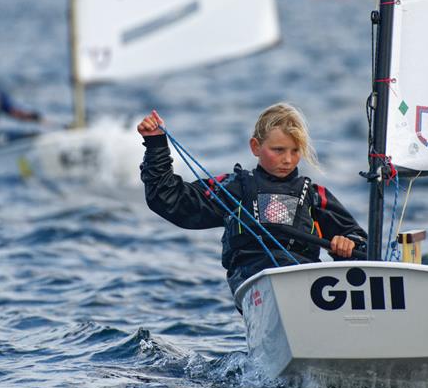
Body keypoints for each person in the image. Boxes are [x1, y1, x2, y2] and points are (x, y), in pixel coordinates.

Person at [138, 103, 367, 300]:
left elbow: (361, 244)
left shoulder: (315, 195)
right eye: (278, 150)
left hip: (305, 283)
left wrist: (347, 245)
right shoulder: (234, 188)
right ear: (256, 147)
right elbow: (170, 199)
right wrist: (156, 144)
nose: (287, 160)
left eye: (295, 151)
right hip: (254, 282)